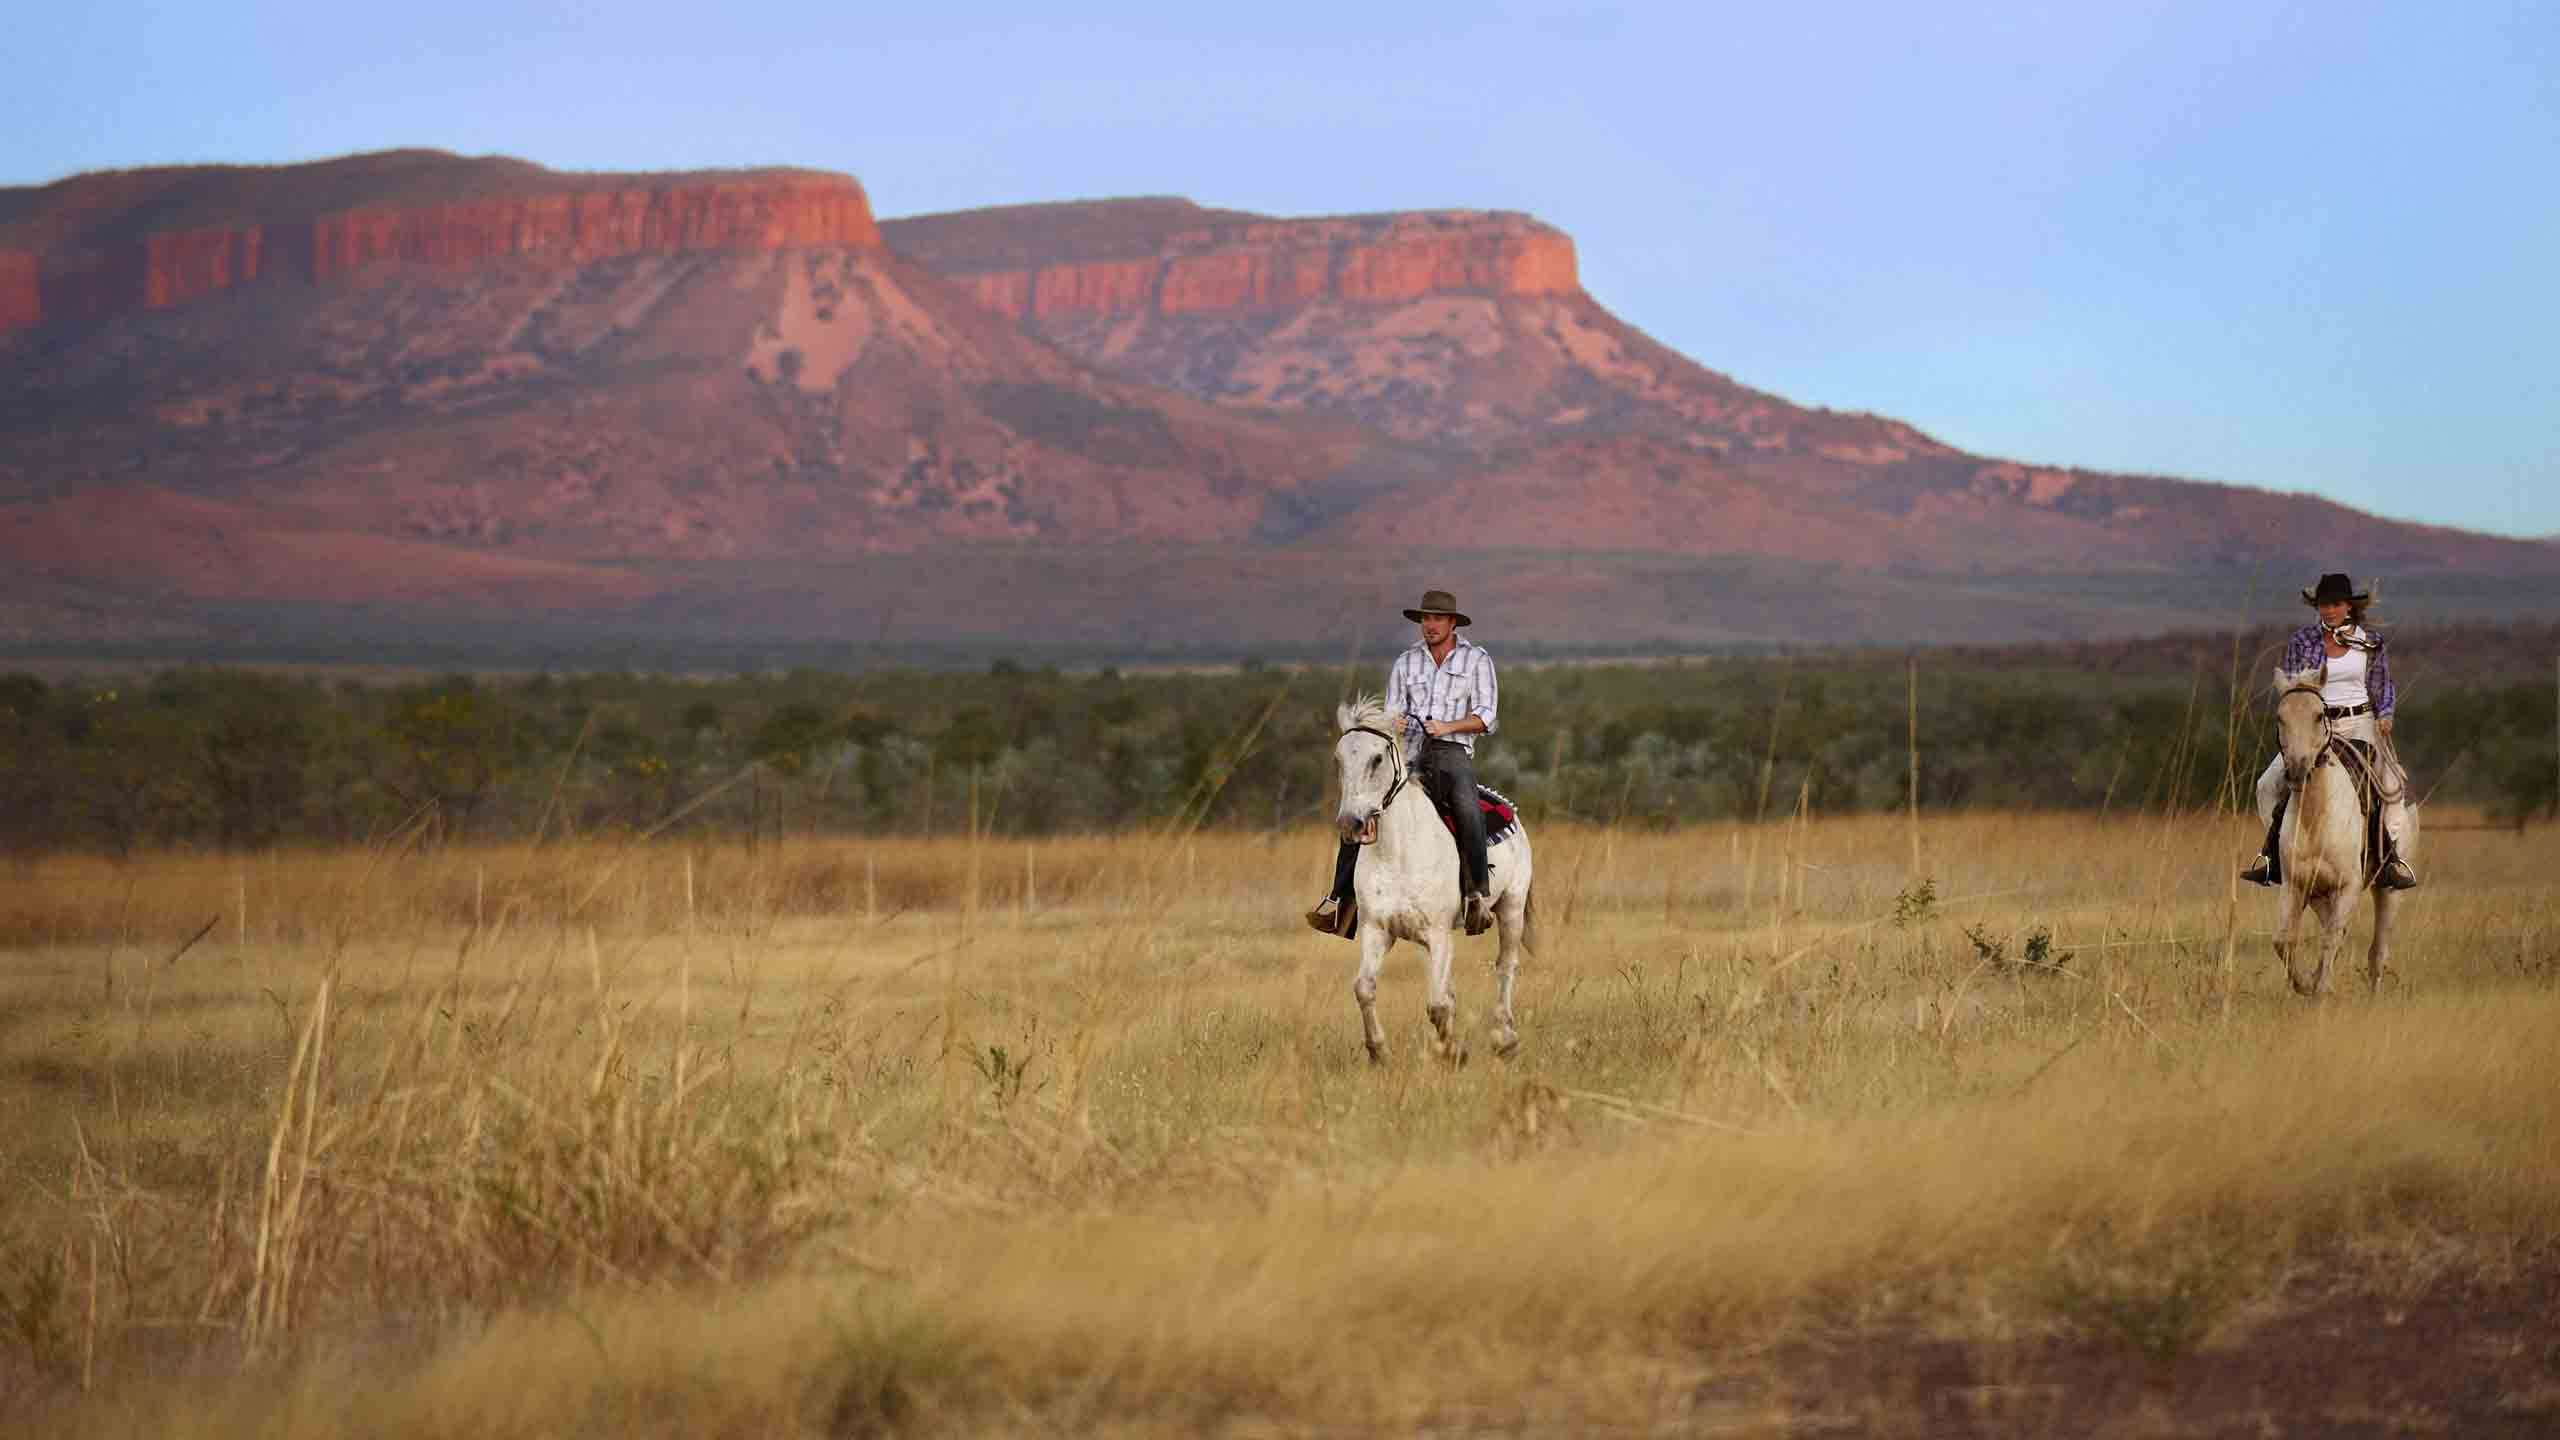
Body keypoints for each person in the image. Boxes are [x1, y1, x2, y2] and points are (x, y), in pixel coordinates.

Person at [1308, 588, 1502, 937]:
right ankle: (1340, 902)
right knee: (1359, 806)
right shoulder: (1406, 662)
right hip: (1407, 755)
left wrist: (1447, 727)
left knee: (1466, 807)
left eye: (1437, 618)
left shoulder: (1476, 660)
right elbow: (1392, 711)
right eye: (1425, 618)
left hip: (1452, 752)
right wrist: (1393, 722)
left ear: (1452, 623)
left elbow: (1486, 716)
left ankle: (1477, 896)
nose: (1430, 625)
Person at [2240, 572, 2417, 889]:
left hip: (2359, 724)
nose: (2329, 610)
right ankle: (2276, 856)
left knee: (2391, 788)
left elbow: (2381, 684)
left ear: (2349, 606)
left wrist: (2385, 715)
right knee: (2267, 785)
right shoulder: (2302, 641)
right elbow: (2291, 689)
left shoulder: (2370, 642)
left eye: (2335, 604)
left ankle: (2389, 861)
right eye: (2323, 604)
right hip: (2314, 728)